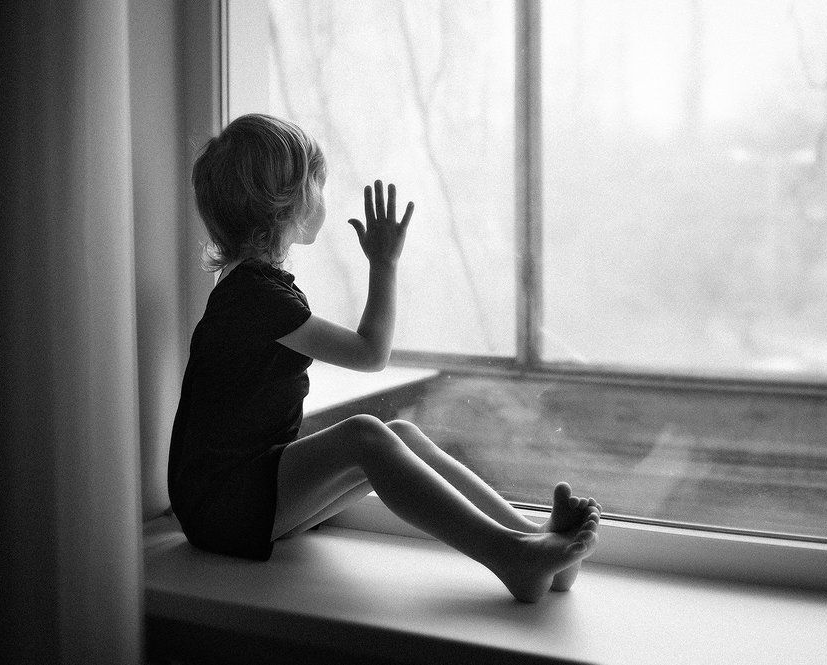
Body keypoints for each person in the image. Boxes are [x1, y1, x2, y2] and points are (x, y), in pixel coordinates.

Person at [169, 113, 600, 602]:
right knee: (364, 435)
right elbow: (371, 353)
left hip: (229, 502)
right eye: (317, 183)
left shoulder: (249, 289)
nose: (323, 195)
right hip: (223, 507)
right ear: (289, 202)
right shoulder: (256, 297)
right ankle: (513, 557)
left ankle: (535, 541)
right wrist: (384, 264)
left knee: (402, 435)